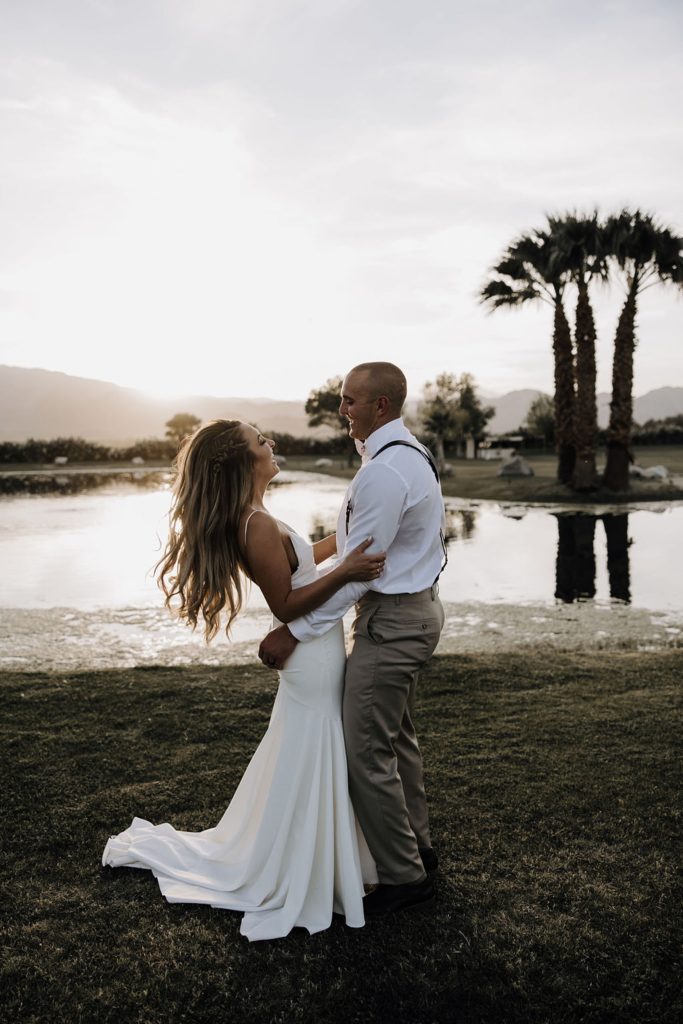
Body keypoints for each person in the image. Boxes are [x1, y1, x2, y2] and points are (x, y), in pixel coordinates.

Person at [101, 419, 385, 942]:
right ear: (241, 461)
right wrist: (348, 572)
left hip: (318, 650)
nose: (270, 444)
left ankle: (323, 860)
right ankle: (307, 868)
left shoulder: (260, 516)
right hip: (312, 657)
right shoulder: (253, 522)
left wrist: (347, 543)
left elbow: (304, 562)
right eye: (261, 442)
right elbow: (286, 604)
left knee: (306, 753)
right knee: (314, 750)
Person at [258, 362, 446, 915]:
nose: (342, 410)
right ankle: (419, 847)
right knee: (395, 738)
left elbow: (362, 571)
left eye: (349, 401)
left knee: (365, 750)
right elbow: (349, 555)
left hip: (392, 622)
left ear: (380, 406)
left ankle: (405, 878)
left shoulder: (385, 473)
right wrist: (311, 563)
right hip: (409, 613)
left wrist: (294, 629)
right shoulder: (403, 455)